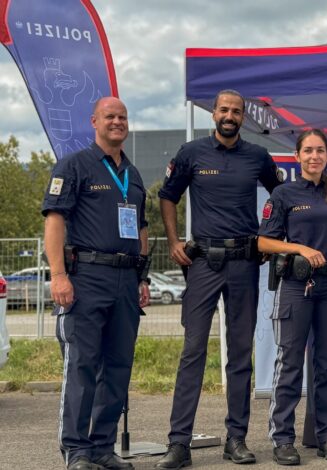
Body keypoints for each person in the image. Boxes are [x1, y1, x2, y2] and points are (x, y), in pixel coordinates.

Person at [155, 89, 283, 469]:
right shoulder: (191, 153)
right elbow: (167, 196)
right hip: (203, 264)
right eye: (224, 109)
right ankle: (179, 444)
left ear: (244, 117)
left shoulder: (258, 156)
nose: (230, 115)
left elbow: (282, 197)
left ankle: (237, 439)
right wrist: (175, 241)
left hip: (244, 263)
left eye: (237, 111)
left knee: (240, 355)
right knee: (192, 351)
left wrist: (268, 238)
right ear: (214, 113)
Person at [43, 96, 150, 470]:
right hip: (86, 277)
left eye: (122, 116)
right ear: (94, 121)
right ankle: (76, 450)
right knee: (83, 366)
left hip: (126, 279)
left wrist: (142, 276)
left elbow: (141, 228)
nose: (117, 121)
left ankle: (103, 448)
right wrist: (58, 275)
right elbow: (54, 221)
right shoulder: (74, 166)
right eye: (110, 116)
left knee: (118, 367)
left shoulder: (132, 174)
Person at [258, 129, 327, 466]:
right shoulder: (282, 194)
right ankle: (282, 438)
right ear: (297, 156)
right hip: (296, 286)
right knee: (290, 363)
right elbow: (264, 243)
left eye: (321, 151)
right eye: (308, 151)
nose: (315, 156)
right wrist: (299, 246)